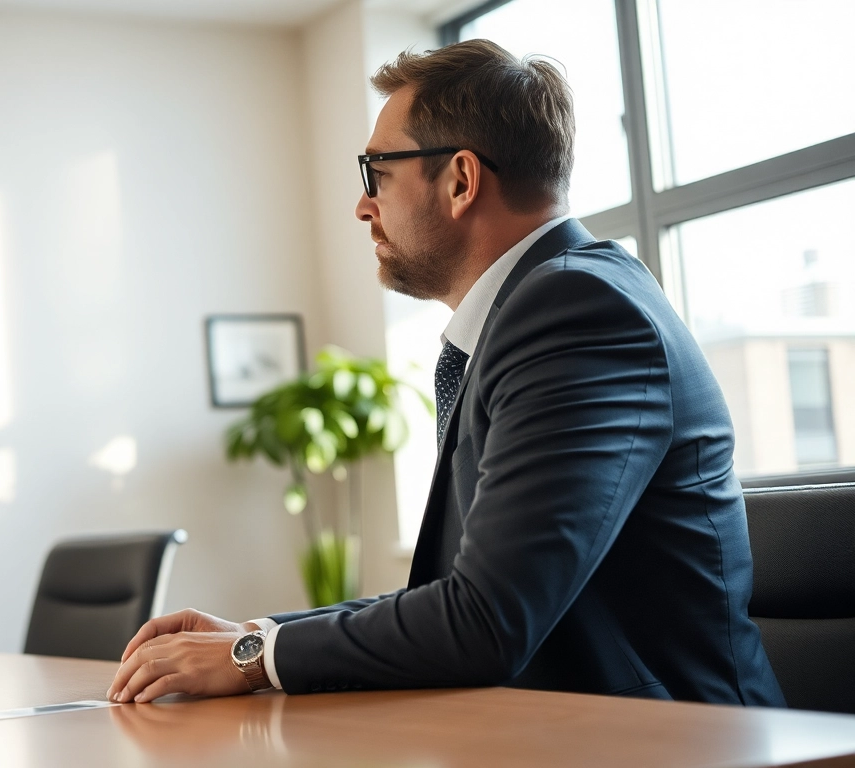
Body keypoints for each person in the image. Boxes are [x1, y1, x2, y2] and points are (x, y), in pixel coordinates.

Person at [107, 39, 785, 707]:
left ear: (461, 180)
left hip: (682, 746)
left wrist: (250, 660)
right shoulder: (533, 313)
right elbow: (462, 595)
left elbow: (486, 620)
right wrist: (259, 635)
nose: (362, 204)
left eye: (377, 170)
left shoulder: (578, 311)